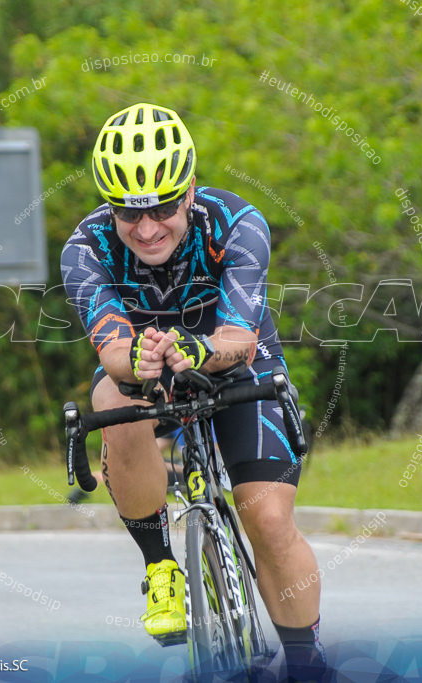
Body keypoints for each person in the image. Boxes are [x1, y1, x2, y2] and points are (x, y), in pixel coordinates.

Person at [61, 102, 325, 679]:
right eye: (129, 214)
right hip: (147, 374)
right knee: (109, 396)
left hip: (235, 366)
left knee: (270, 523)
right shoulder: (85, 249)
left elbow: (239, 336)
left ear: (189, 192)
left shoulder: (237, 223)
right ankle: (160, 566)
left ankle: (307, 662)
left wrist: (200, 351)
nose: (148, 227)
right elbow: (109, 348)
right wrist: (138, 357)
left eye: (161, 207)